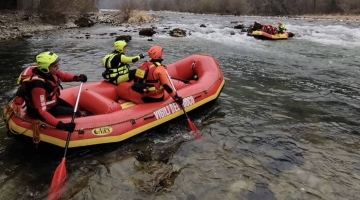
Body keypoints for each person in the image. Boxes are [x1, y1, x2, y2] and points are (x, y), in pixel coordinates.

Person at [15, 51, 88, 133]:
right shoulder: (38, 85)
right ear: (45, 68)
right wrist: (61, 125)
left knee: (73, 108)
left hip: (52, 101)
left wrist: (77, 78)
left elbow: (63, 76)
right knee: (76, 112)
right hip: (43, 110)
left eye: (57, 65)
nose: (58, 67)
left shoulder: (49, 71)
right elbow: (41, 111)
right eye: (55, 66)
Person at [116, 45, 183, 105]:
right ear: (159, 54)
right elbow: (166, 86)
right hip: (155, 97)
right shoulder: (160, 69)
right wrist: (176, 97)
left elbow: (136, 79)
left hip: (143, 94)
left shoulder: (143, 64)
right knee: (166, 91)